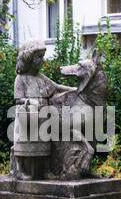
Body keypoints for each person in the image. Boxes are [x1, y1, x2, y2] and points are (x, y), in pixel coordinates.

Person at [13, 40, 75, 180]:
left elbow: (57, 87)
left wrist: (74, 90)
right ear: (29, 59)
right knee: (24, 142)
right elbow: (18, 99)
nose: (42, 61)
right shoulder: (21, 79)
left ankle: (46, 170)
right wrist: (29, 101)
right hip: (27, 115)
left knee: (45, 142)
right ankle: (20, 170)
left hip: (43, 115)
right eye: (39, 57)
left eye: (42, 56)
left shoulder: (41, 78)